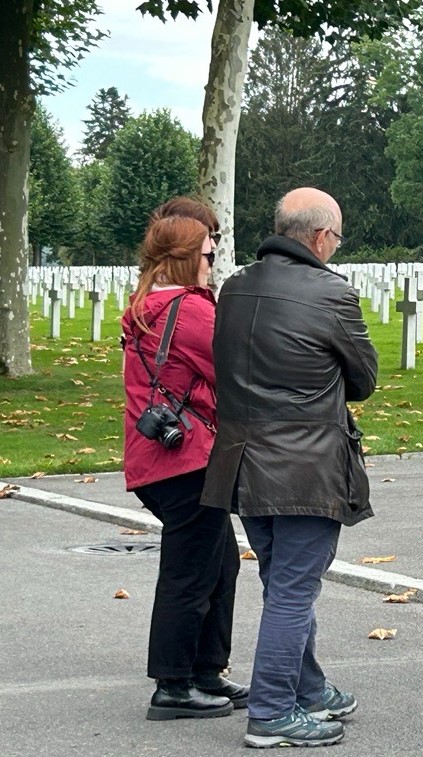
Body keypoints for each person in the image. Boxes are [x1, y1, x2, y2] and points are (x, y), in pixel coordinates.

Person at [201, 187, 378, 749]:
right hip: (305, 463)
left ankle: (309, 687)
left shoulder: (234, 286)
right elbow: (364, 379)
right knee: (294, 590)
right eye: (338, 237)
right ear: (322, 236)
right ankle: (274, 710)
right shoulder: (330, 293)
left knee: (281, 581)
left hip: (243, 460)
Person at [121, 208, 247, 721]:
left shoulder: (149, 303)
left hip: (162, 454)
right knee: (190, 572)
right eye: (210, 252)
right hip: (186, 458)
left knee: (219, 561)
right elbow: (233, 369)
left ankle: (205, 670)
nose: (213, 261)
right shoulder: (190, 309)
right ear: (189, 256)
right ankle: (173, 684)